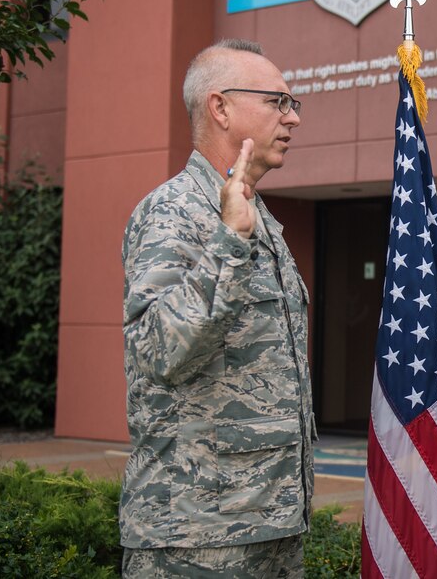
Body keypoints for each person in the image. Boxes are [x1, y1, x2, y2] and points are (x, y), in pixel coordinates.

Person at [119, 39, 315, 577]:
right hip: (195, 539)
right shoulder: (172, 212)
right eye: (278, 101)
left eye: (293, 103)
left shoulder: (259, 216)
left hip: (270, 527)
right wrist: (229, 240)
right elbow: (162, 350)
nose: (293, 117)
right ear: (220, 106)